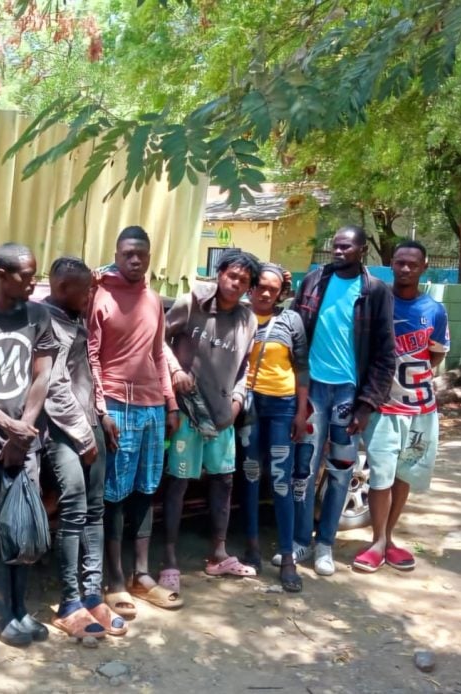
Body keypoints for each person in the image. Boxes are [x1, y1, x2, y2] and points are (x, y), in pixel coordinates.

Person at [291, 225, 395, 577]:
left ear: (362, 250)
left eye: (346, 247)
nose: (338, 251)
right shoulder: (313, 281)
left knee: (340, 472)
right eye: (335, 245)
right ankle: (301, 540)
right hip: (312, 390)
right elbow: (294, 329)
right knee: (304, 469)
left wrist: (367, 405)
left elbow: (385, 354)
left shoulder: (375, 291)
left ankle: (325, 544)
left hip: (348, 395)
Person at [88, 226, 181, 615]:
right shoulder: (101, 296)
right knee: (115, 495)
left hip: (152, 408)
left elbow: (159, 354)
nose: (135, 259)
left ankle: (141, 575)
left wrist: (170, 403)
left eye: (141, 253)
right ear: (116, 254)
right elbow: (92, 357)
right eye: (127, 253)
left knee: (146, 490)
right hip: (116, 406)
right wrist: (102, 411)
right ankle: (114, 579)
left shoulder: (153, 299)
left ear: (149, 256)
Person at [161, 250, 260, 592]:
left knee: (224, 481)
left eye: (244, 281)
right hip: (186, 411)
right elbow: (158, 339)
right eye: (232, 275)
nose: (236, 283)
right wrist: (175, 370)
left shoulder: (248, 319)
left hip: (222, 416)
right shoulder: (191, 303)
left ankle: (219, 554)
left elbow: (246, 367)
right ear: (219, 274)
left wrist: (237, 402)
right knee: (178, 483)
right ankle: (169, 559)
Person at [0, 243, 58, 646]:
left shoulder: (38, 316)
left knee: (23, 520)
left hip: (24, 438)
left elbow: (42, 376)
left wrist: (23, 430)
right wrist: (5, 425)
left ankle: (22, 608)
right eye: (26, 276)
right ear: (1, 275)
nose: (33, 283)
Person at [352, 240, 448, 573]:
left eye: (412, 264)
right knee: (380, 475)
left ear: (424, 267)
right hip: (383, 406)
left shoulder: (434, 310)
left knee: (404, 474)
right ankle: (377, 541)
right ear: (391, 264)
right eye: (399, 262)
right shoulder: (376, 301)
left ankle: (389, 539)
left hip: (420, 408)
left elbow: (435, 355)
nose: (405, 268)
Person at [42, 257, 124, 638]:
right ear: (62, 288)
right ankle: (69, 601)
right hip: (63, 432)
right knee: (74, 511)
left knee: (95, 510)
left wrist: (101, 415)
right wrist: (83, 435)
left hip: (90, 425)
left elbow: (88, 373)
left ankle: (93, 594)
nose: (91, 296)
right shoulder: (45, 321)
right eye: (85, 290)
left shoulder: (75, 317)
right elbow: (53, 385)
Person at [238, 263, 311, 592]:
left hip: (283, 406)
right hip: (249, 406)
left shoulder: (291, 320)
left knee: (281, 480)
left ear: (281, 293)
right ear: (252, 287)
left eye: (273, 289)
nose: (266, 293)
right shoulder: (239, 316)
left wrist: (301, 412)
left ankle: (287, 557)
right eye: (261, 286)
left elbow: (302, 367)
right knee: (251, 477)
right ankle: (252, 547)